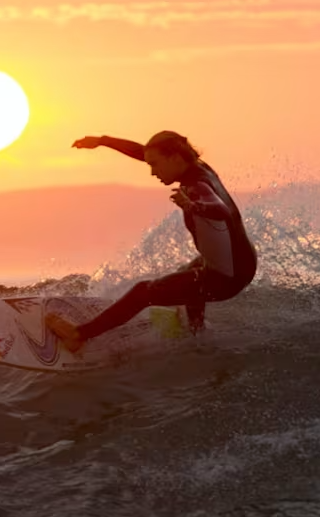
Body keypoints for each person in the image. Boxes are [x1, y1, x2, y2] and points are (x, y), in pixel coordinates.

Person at [45, 131, 258, 353]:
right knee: (188, 272)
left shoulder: (197, 187)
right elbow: (142, 153)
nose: (152, 172)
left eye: (155, 165)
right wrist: (103, 141)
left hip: (227, 278)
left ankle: (78, 335)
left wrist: (193, 206)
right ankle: (197, 332)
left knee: (143, 292)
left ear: (175, 158)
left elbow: (221, 211)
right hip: (242, 263)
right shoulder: (198, 167)